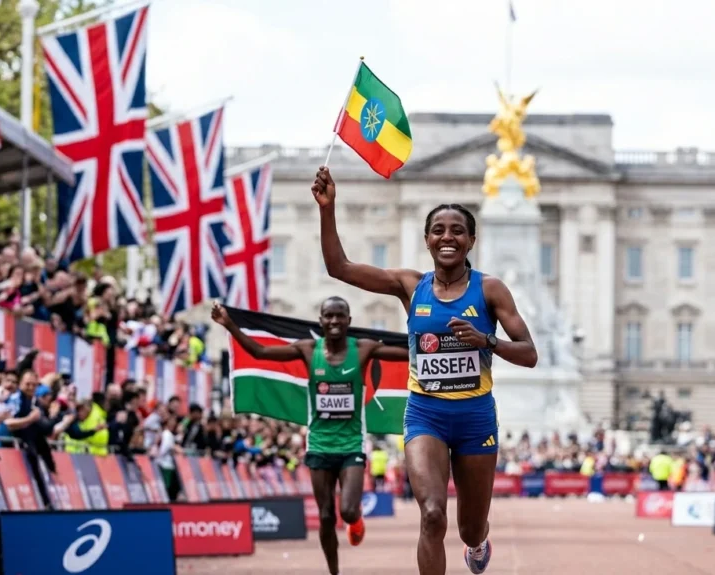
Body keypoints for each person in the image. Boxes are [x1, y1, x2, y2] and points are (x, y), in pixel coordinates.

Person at [311, 167, 538, 575]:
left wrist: (485, 340)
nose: (447, 237)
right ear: (427, 240)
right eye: (438, 230)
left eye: (457, 231)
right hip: (426, 415)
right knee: (432, 514)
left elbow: (529, 354)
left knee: (468, 529)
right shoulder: (408, 285)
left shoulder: (490, 290)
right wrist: (328, 209)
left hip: (474, 416)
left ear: (471, 240)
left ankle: (478, 541)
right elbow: (339, 267)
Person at [212, 299, 407, 575]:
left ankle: (356, 521)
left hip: (351, 444)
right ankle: (334, 571)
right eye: (329, 316)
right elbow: (260, 351)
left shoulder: (363, 349)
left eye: (340, 316)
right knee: (326, 515)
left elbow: (409, 353)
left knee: (348, 511)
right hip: (318, 444)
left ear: (349, 320)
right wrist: (229, 324)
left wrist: (439, 338)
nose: (335, 321)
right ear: (321, 320)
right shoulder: (308, 350)